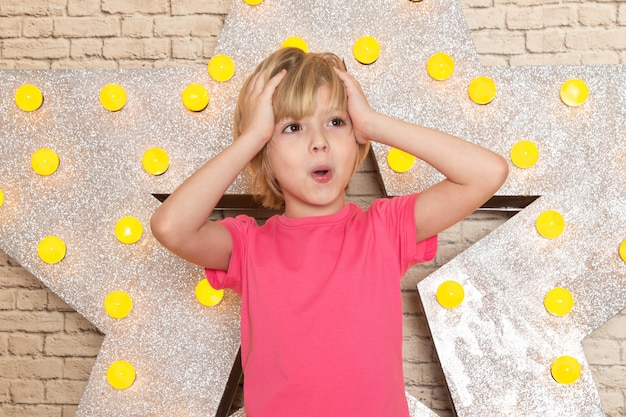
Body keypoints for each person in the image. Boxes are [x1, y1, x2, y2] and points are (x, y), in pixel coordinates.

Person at [151, 47, 508, 417]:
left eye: (335, 122)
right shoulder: (248, 246)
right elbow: (170, 226)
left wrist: (371, 123)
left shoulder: (384, 230)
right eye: (292, 127)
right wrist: (252, 137)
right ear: (264, 153)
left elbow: (486, 173)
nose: (319, 141)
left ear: (355, 139)